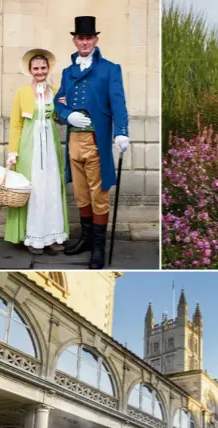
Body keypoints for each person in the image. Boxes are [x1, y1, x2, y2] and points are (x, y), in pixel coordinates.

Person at [54, 16, 130, 269]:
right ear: (75, 40)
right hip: (73, 140)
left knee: (99, 193)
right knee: (80, 193)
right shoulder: (67, 72)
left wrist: (121, 131)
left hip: (95, 140)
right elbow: (58, 101)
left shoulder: (110, 69)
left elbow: (118, 102)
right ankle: (86, 239)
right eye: (80, 38)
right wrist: (67, 115)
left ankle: (98, 245)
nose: (84, 42)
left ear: (95, 40)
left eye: (88, 38)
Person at [4, 49, 69, 254]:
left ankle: (51, 236)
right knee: (34, 189)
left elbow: (60, 120)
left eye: (43, 68)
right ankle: (32, 238)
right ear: (30, 71)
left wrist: (64, 109)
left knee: (51, 188)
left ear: (48, 69)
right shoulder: (22, 93)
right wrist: (13, 152)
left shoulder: (57, 92)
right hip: (29, 147)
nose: (40, 71)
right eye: (36, 68)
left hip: (50, 146)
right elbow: (16, 124)